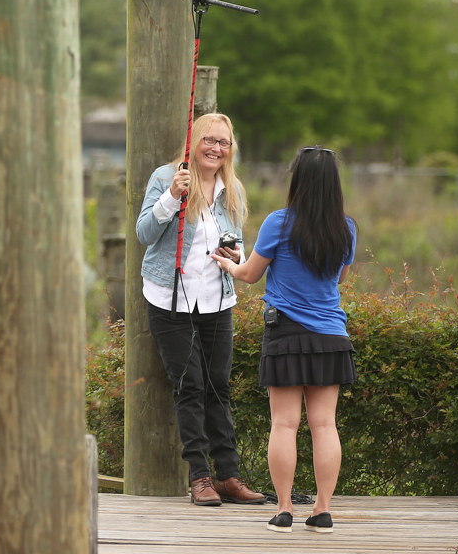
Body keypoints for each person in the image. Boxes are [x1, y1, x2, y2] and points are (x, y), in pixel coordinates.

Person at [212, 146, 357, 534]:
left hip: (286, 334)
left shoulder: (279, 223)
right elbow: (339, 279)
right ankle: (323, 511)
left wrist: (228, 262)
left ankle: (285, 509)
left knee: (285, 424)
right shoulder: (346, 228)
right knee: (325, 424)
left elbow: (249, 275)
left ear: (298, 180)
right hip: (331, 335)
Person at [136, 113, 266, 506]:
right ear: (194, 141)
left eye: (223, 142)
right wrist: (172, 196)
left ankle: (229, 476)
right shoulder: (168, 177)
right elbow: (144, 234)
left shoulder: (233, 190)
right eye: (209, 140)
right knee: (188, 385)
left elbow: (237, 245)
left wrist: (234, 252)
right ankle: (200, 477)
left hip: (217, 298)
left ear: (231, 149)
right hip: (170, 298)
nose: (216, 148)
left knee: (219, 386)